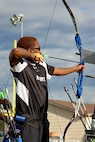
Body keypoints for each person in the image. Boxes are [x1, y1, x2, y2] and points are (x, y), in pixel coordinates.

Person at [9, 36, 85, 142]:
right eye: (38, 48)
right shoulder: (20, 66)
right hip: (28, 122)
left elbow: (57, 71)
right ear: (31, 51)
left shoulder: (42, 65)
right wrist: (32, 56)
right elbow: (15, 52)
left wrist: (76, 69)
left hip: (42, 121)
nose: (41, 51)